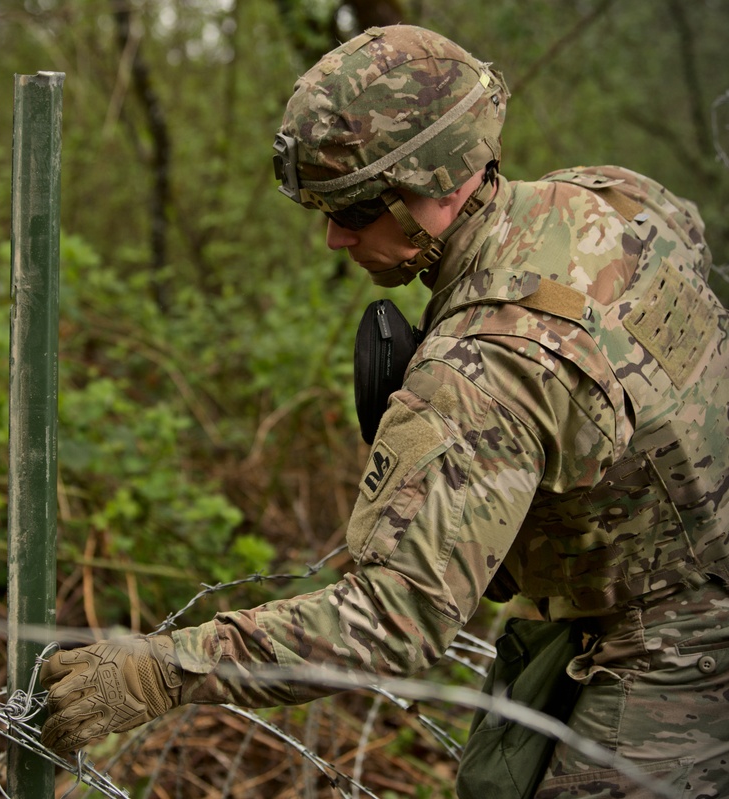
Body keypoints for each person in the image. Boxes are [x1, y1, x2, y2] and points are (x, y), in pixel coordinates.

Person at [39, 24, 729, 798]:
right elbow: (692, 250)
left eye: (357, 209)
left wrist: (162, 670)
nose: (334, 238)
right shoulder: (607, 197)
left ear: (437, 181)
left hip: (675, 650)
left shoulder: (483, 366)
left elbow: (394, 620)